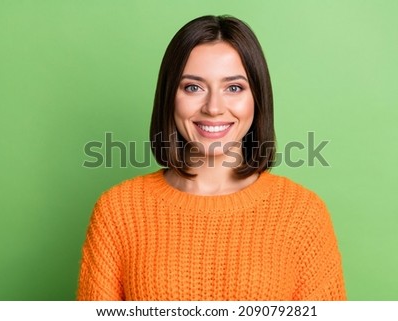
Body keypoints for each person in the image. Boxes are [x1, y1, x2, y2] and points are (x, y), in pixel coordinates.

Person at [77, 15, 346, 301]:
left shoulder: (302, 214)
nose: (214, 108)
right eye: (193, 87)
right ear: (170, 96)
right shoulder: (118, 211)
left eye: (234, 88)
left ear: (257, 97)